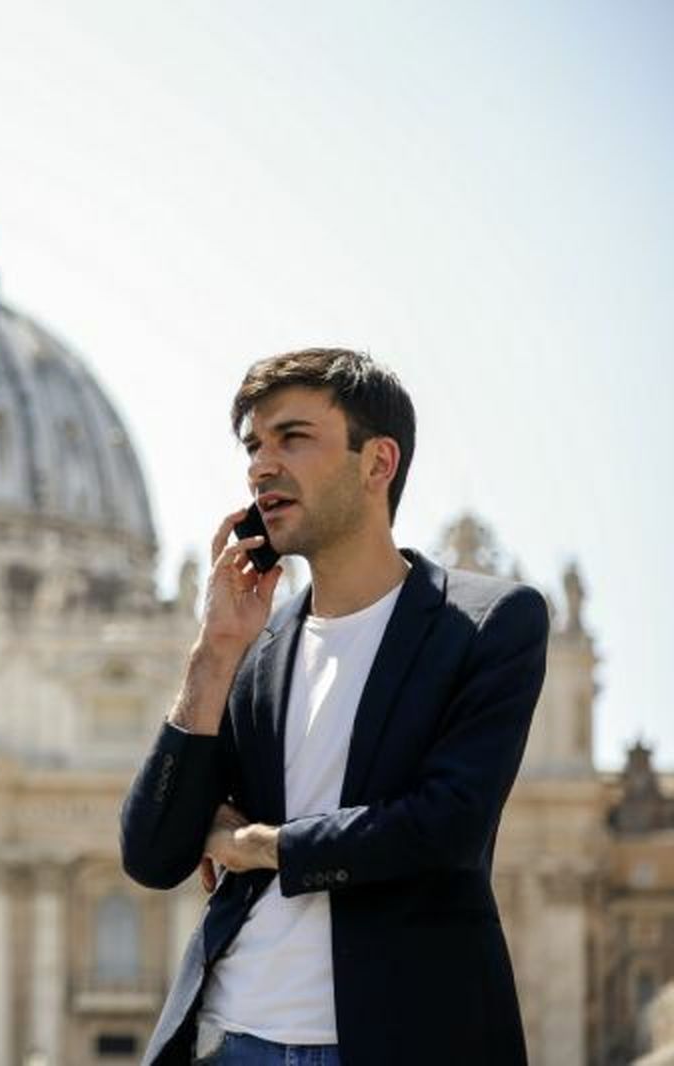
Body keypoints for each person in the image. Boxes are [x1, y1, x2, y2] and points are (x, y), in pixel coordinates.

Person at [119, 348, 548, 1065]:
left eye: (292, 438)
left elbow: (444, 824)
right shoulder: (253, 646)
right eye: (254, 447)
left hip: (396, 1039)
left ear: (378, 462)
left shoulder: (487, 623)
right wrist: (214, 650)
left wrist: (262, 844)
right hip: (232, 1038)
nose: (261, 467)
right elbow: (154, 853)